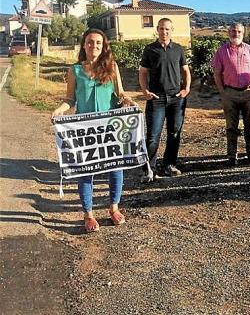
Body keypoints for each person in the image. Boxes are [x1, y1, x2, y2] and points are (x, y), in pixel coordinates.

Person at [52, 28, 135, 233]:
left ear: (103, 46)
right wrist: (59, 110)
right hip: (85, 130)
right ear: (84, 45)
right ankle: (88, 214)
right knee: (86, 171)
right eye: (90, 42)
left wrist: (128, 101)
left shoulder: (112, 67)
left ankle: (114, 207)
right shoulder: (75, 71)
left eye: (98, 43)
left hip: (110, 128)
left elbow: (121, 94)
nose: (94, 46)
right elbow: (69, 99)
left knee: (116, 168)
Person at [139, 18, 191, 182]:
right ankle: (149, 169)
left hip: (176, 98)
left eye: (167, 29)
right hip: (157, 98)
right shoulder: (150, 49)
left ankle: (169, 164)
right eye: (161, 29)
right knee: (153, 135)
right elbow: (142, 72)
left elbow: (185, 70)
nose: (164, 32)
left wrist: (186, 89)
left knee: (174, 133)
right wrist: (145, 90)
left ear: (171, 30)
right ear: (157, 30)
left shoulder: (178, 49)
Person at [211, 23, 250, 166]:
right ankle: (232, 156)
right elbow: (217, 73)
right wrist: (222, 91)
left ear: (243, 33)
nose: (236, 34)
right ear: (229, 32)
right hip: (230, 93)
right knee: (231, 126)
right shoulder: (221, 51)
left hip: (249, 92)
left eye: (239, 31)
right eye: (233, 31)